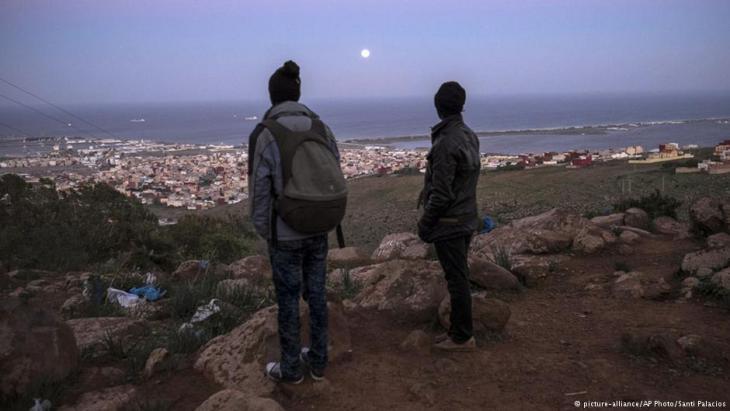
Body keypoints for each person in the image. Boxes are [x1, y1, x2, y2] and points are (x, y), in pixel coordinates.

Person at [248, 60, 347, 383]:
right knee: (317, 294)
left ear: (272, 97)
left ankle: (290, 369)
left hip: (286, 233)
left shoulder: (266, 134)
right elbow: (333, 171)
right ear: (298, 93)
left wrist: (268, 231)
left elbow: (260, 193)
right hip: (319, 226)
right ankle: (319, 362)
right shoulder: (322, 127)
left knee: (288, 300)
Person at [417, 81, 481, 351]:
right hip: (466, 217)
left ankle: (462, 337)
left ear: (438, 107)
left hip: (450, 222)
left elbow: (442, 194)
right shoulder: (469, 134)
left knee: (457, 280)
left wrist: (425, 222)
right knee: (459, 276)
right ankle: (459, 332)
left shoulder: (445, 142)